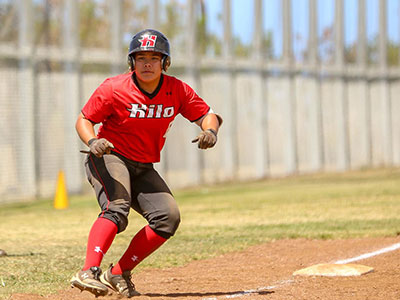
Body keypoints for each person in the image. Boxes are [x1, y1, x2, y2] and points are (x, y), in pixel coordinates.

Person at [70, 29, 222, 298]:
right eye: (141, 58)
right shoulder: (114, 88)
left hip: (143, 165)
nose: (148, 64)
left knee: (168, 217)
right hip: (109, 155)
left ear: (166, 62)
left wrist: (210, 132)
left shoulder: (177, 89)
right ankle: (88, 270)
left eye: (155, 57)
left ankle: (117, 272)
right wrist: (93, 141)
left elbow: (208, 115)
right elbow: (84, 119)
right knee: (117, 207)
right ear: (132, 63)